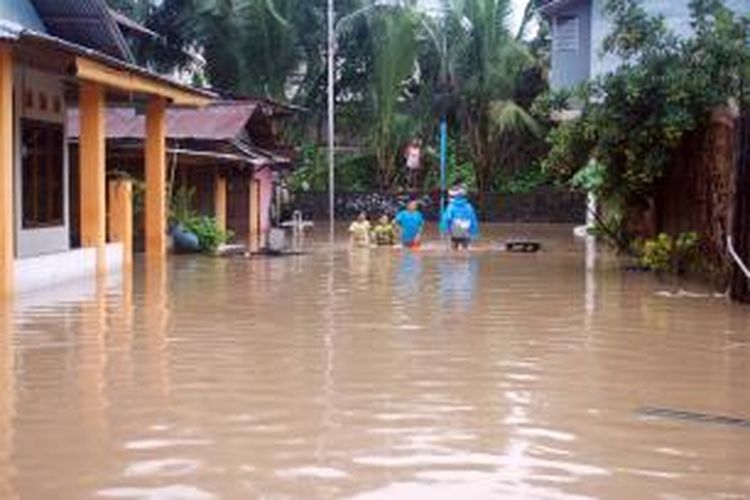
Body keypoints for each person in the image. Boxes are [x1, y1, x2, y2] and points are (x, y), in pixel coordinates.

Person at [441, 186, 479, 250]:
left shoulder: (451, 206)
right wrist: (474, 232)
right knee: (465, 248)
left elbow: (447, 219)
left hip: (455, 228)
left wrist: (445, 230)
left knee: (454, 248)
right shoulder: (468, 206)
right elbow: (473, 220)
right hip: (466, 227)